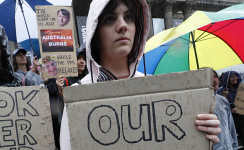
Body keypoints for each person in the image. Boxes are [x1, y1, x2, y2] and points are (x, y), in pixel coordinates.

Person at [60, 0, 221, 149]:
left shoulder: (157, 88)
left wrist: (200, 134)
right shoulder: (78, 97)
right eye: (110, 19)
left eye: (129, 17)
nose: (122, 26)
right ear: (95, 31)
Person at [211, 70, 238, 150]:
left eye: (215, 77)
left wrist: (234, 146)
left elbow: (231, 127)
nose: (213, 79)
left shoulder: (223, 100)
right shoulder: (196, 103)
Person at [218, 71, 244, 148]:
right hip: (230, 119)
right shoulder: (221, 91)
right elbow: (219, 106)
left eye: (236, 76)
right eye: (232, 77)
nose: (235, 78)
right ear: (227, 79)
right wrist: (224, 97)